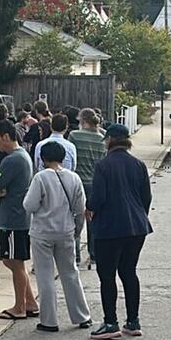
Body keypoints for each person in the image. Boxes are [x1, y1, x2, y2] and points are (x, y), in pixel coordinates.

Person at [86, 124, 152, 340]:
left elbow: (98, 198)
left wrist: (89, 209)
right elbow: (146, 197)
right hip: (137, 226)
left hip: (110, 227)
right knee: (129, 272)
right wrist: (139, 215)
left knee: (107, 275)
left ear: (111, 140)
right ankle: (133, 321)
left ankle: (110, 322)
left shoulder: (103, 165)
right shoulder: (139, 165)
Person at [23, 141, 92, 332]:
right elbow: (80, 209)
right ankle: (81, 316)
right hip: (66, 230)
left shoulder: (40, 178)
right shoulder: (74, 178)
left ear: (42, 158)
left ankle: (49, 320)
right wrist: (77, 231)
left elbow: (29, 206)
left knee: (45, 276)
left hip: (42, 232)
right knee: (70, 273)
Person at [0, 120, 38, 321]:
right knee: (11, 260)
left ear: (6, 136)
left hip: (14, 218)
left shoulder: (12, 160)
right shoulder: (22, 156)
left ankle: (20, 306)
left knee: (15, 262)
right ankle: (30, 301)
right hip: (18, 216)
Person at [69, 109, 108, 269]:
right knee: (93, 220)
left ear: (83, 121)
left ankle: (76, 255)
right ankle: (94, 255)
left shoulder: (74, 136)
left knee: (75, 218)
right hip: (94, 182)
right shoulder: (101, 139)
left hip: (77, 181)